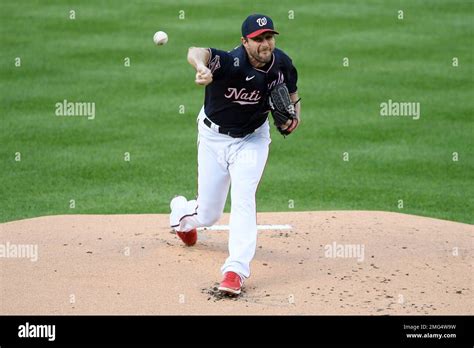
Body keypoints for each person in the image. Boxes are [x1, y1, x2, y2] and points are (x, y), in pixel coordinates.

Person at [169, 14, 301, 295]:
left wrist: (294, 117)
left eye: (269, 37)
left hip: (252, 139)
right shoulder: (230, 62)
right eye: (258, 39)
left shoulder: (283, 63)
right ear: (245, 42)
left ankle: (235, 271)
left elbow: (292, 94)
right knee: (208, 214)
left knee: (243, 197)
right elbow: (196, 51)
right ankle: (181, 214)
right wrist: (202, 67)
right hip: (213, 137)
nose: (266, 44)